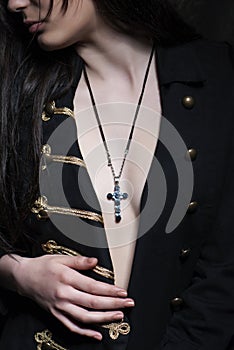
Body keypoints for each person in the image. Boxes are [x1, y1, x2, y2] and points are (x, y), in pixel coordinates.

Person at [0, 0, 234, 349]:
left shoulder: (217, 75)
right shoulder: (18, 91)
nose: (14, 3)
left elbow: (223, 273)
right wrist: (18, 274)